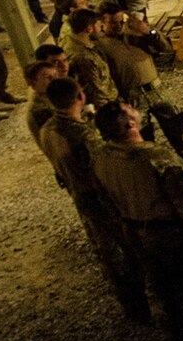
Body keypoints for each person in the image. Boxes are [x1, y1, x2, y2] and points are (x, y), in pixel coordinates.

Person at [91, 101, 183, 341]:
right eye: (129, 108)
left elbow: (105, 199)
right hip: (166, 232)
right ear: (130, 124)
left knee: (157, 282)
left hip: (133, 229)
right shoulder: (157, 157)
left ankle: (172, 335)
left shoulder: (101, 157)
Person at [37, 77, 150, 321]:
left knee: (104, 247)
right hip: (97, 197)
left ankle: (130, 301)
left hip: (77, 193)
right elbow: (104, 162)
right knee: (122, 247)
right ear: (80, 97)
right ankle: (139, 304)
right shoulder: (84, 136)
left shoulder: (46, 129)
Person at [95, 9, 183, 152]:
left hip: (156, 89)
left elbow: (165, 48)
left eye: (121, 21)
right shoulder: (100, 46)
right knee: (142, 135)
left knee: (176, 124)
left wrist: (148, 32)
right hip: (132, 95)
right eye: (113, 23)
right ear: (101, 23)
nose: (119, 26)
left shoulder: (135, 32)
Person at [63, 8, 119, 110]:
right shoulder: (82, 56)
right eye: (98, 26)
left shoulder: (81, 44)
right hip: (106, 106)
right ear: (89, 29)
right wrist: (111, 110)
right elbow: (96, 91)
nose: (101, 29)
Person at [23, 49, 70, 143]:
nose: (55, 80)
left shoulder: (49, 96)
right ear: (32, 83)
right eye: (48, 78)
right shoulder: (40, 109)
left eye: (56, 75)